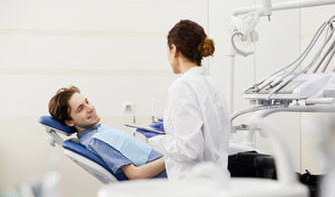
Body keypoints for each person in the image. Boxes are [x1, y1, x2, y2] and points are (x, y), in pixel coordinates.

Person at [145, 19, 230, 180]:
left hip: (192, 186)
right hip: (217, 180)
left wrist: (155, 139)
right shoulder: (211, 85)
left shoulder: (182, 86)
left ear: (174, 49)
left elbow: (190, 149)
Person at [48, 86, 167, 180]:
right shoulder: (97, 140)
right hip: (170, 177)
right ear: (69, 122)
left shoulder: (98, 131)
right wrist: (172, 157)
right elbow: (135, 175)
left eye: (87, 102)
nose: (90, 108)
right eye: (81, 108)